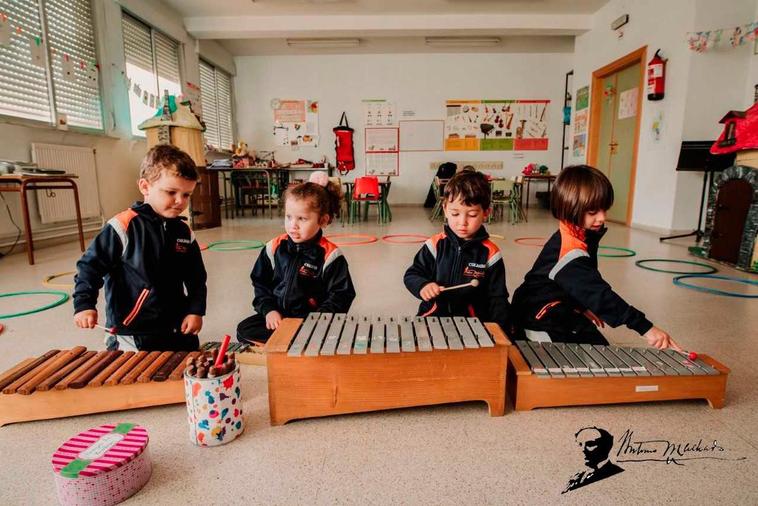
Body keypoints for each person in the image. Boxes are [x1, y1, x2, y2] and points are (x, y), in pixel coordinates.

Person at [512, 165, 680, 349]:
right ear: (569, 208)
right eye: (593, 212)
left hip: (557, 305)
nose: (602, 218)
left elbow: (578, 283)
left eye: (604, 210)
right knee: (591, 358)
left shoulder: (579, 232)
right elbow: (599, 294)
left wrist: (581, 306)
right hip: (536, 315)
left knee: (600, 349)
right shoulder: (569, 250)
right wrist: (647, 328)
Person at [73, 145, 207, 351]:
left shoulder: (184, 232)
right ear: (145, 187)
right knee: (131, 377)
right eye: (171, 192)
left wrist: (195, 310)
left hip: (175, 326)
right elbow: (89, 267)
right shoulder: (122, 226)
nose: (180, 201)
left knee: (187, 369)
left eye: (187, 195)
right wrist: (84, 305)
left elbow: (196, 277)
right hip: (132, 330)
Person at [237, 172, 356, 344]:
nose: (293, 225)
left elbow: (341, 296)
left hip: (312, 322)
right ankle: (291, 341)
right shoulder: (273, 247)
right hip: (279, 317)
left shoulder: (331, 256)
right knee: (244, 330)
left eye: (302, 219)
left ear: (322, 220)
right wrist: (269, 310)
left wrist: (315, 321)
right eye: (289, 217)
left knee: (332, 336)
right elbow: (260, 282)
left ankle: (296, 341)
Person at [404, 170, 510, 332]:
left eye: (472, 215)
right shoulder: (434, 245)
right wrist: (423, 286)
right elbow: (412, 274)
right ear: (445, 209)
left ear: (486, 213)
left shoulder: (490, 253)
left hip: (473, 324)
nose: (462, 222)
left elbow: (498, 298)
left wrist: (501, 330)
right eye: (455, 213)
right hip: (433, 316)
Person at [563, 427, 624, 493]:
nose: (582, 450)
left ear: (606, 446)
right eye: (580, 444)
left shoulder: (616, 473)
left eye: (590, 444)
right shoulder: (578, 476)